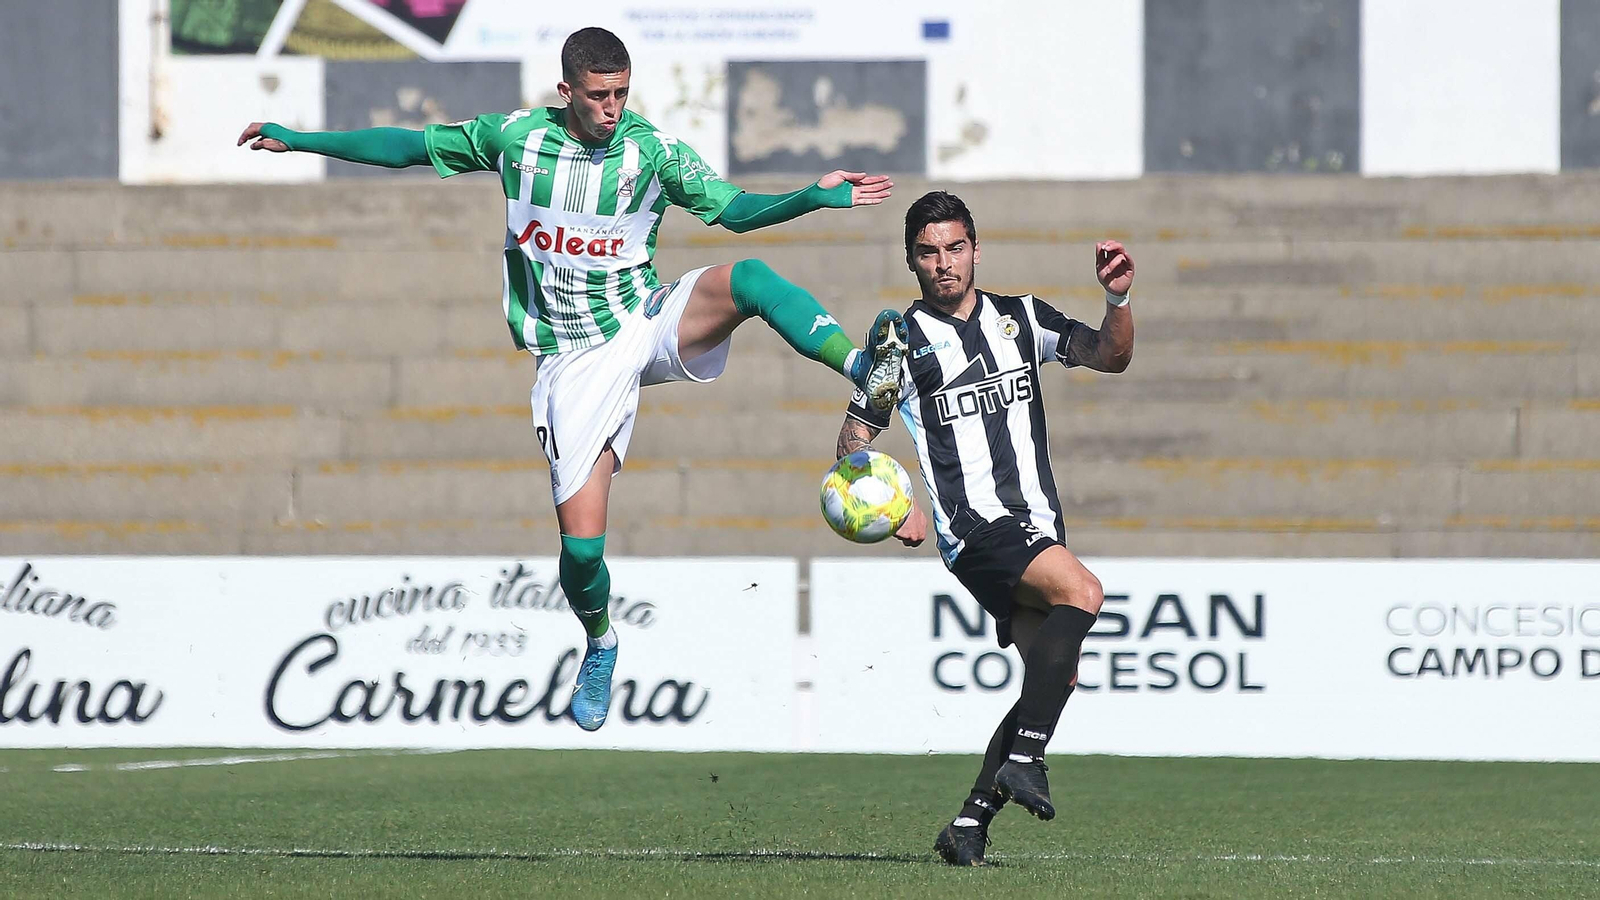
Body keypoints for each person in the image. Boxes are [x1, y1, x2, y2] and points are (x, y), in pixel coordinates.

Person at [239, 26, 908, 732]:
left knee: (748, 280)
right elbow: (408, 146)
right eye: (598, 95)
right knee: (582, 551)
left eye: (622, 93)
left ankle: (864, 369)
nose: (612, 108)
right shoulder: (516, 139)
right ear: (567, 91)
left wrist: (812, 196)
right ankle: (601, 640)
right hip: (573, 360)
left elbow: (734, 212)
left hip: (642, 318)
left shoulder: (653, 152)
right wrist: (302, 140)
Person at [833, 190, 1135, 866]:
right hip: (976, 530)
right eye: (928, 252)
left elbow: (1109, 356)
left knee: (1053, 679)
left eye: (955, 248)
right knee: (1084, 592)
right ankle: (1025, 760)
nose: (943, 263)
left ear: (975, 249)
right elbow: (853, 441)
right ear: (911, 260)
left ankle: (968, 825)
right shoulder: (900, 344)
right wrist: (894, 508)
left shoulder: (1021, 318)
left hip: (1036, 525)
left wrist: (1116, 300)